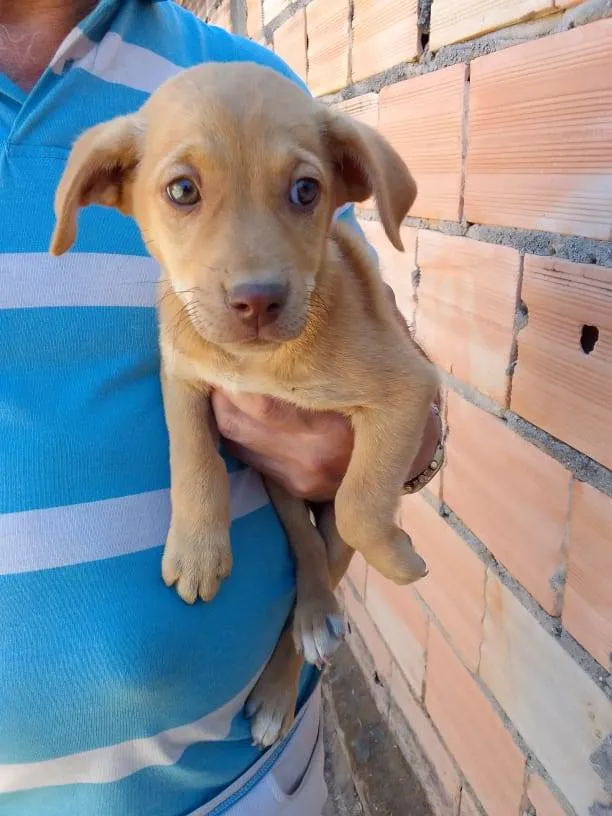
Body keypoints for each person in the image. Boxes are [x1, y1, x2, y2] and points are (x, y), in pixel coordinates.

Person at [0, 1, 443, 814]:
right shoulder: (139, 162)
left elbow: (405, 386)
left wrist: (377, 475)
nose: (250, 277)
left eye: (302, 190)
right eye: (183, 192)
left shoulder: (257, 87)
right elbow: (183, 367)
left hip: (246, 784)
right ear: (105, 186)